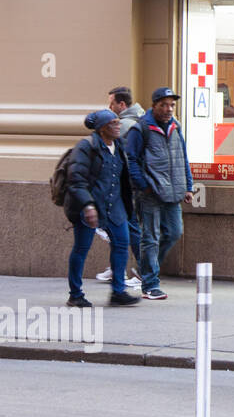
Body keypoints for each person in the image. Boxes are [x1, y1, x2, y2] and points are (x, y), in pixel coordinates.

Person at [125, 87, 195, 300]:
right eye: (163, 105)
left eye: (172, 105)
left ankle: (146, 267)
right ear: (154, 106)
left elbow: (182, 157)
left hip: (173, 192)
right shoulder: (141, 129)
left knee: (174, 232)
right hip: (151, 193)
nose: (168, 109)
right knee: (151, 237)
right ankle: (150, 284)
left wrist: (188, 186)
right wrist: (144, 185)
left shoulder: (176, 127)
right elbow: (132, 160)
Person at [65, 110, 140, 307]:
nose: (118, 126)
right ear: (102, 129)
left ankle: (118, 292)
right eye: (113, 123)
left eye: (118, 122)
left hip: (115, 206)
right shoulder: (86, 147)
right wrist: (88, 206)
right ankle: (75, 293)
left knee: (122, 244)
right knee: (81, 249)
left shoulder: (120, 145)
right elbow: (76, 180)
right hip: (90, 206)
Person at [95, 87, 144, 286]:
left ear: (122, 105)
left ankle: (140, 270)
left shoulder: (123, 125)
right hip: (132, 186)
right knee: (124, 227)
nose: (109, 107)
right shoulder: (140, 120)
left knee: (127, 228)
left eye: (112, 103)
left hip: (125, 187)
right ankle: (119, 268)